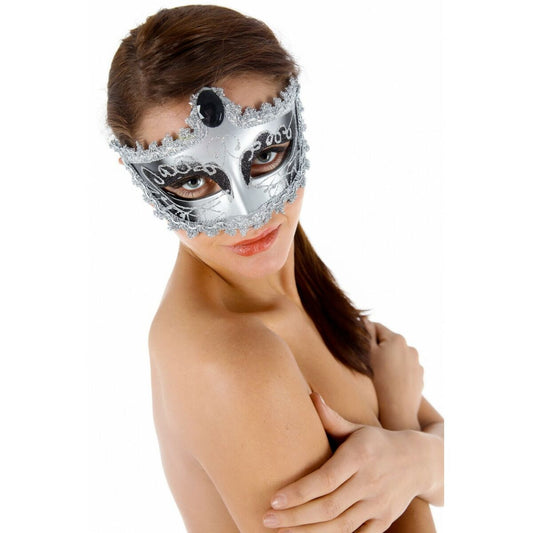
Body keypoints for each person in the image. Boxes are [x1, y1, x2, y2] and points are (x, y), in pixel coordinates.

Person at [107, 5, 443, 532]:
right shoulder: (234, 357)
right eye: (193, 181)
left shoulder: (294, 285)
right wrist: (400, 428)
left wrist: (417, 460)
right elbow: (433, 443)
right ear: (138, 176)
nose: (249, 215)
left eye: (264, 154)